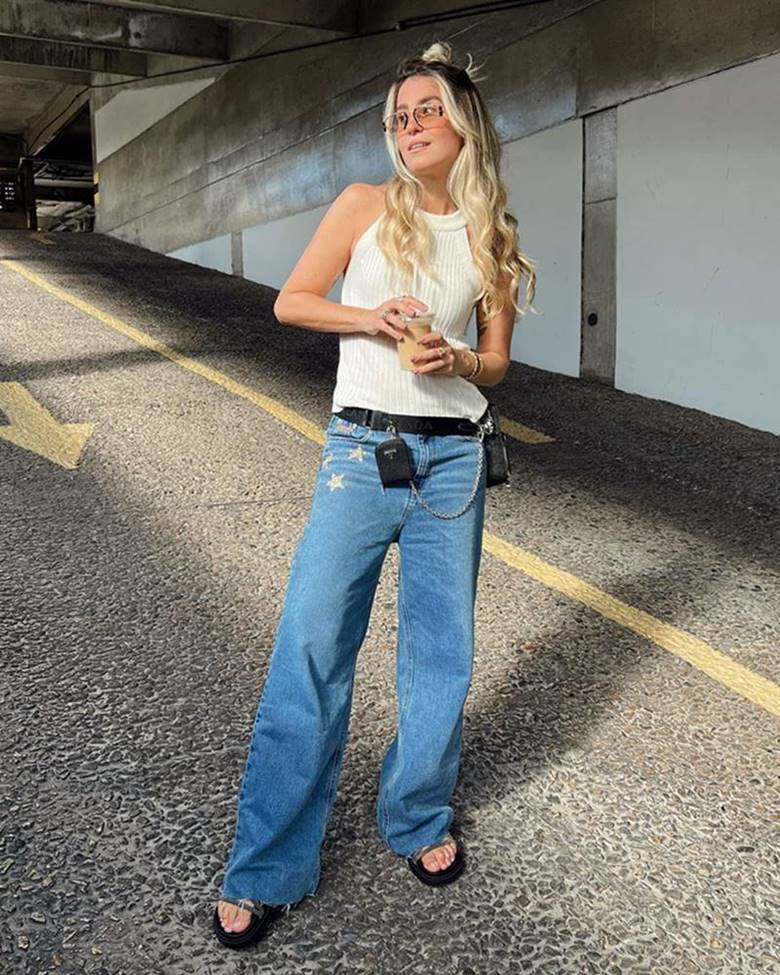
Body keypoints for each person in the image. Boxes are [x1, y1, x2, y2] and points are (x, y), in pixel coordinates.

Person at [213, 40, 536, 949]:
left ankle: (418, 815)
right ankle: (267, 864)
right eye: (399, 115)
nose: (410, 124)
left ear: (464, 122)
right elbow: (293, 300)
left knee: (440, 656)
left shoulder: (493, 233)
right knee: (312, 647)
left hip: (456, 460)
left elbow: (498, 361)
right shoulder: (364, 205)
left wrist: (459, 357)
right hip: (363, 449)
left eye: (427, 108)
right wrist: (375, 319)